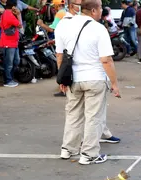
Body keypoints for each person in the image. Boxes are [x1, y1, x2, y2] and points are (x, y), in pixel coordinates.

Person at [55, 0, 121, 164]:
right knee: (94, 117)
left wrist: (62, 78)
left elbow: (60, 56)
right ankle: (89, 154)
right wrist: (114, 83)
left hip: (73, 78)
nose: (102, 11)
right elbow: (106, 60)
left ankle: (67, 149)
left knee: (73, 115)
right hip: (95, 78)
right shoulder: (98, 29)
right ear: (93, 10)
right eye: (100, 8)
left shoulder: (65, 25)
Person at [0, 0, 21, 87]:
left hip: (13, 42)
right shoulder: (8, 14)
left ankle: (10, 78)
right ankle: (8, 81)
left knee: (16, 61)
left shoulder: (7, 13)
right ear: (13, 7)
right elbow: (19, 25)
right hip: (8, 43)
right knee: (9, 63)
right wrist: (18, 14)